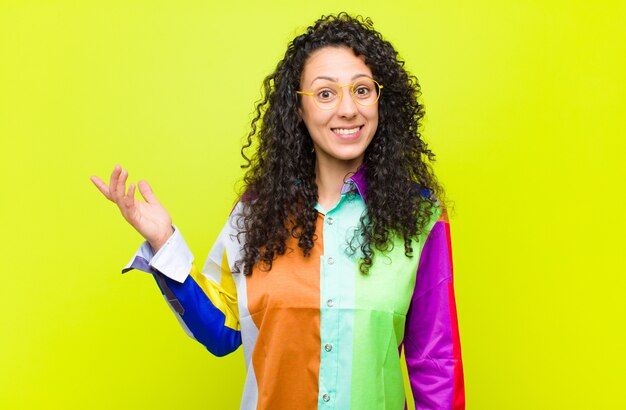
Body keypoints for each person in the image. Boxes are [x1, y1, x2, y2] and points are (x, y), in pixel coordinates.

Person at [91, 12, 465, 410]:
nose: (347, 109)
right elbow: (220, 331)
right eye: (325, 93)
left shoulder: (420, 216)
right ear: (298, 110)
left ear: (380, 100)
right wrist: (163, 242)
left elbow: (435, 362)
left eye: (362, 90)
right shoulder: (254, 215)